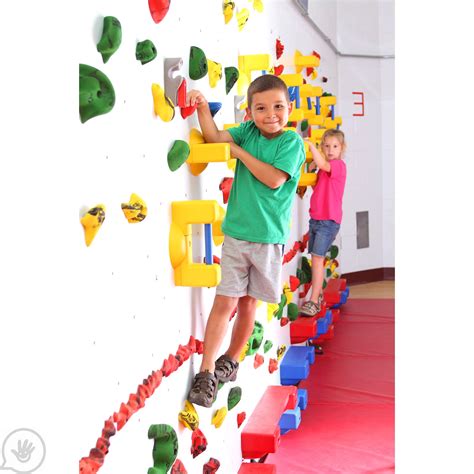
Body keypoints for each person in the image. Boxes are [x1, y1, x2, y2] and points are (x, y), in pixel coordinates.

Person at [185, 75, 305, 407]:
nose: (271, 115)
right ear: (249, 112)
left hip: (268, 240)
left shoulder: (291, 143)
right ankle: (206, 372)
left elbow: (272, 179)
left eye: (278, 107)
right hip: (238, 234)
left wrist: (236, 151)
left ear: (289, 108)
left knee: (250, 303)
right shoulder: (247, 131)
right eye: (261, 108)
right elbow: (213, 136)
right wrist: (201, 108)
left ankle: (232, 359)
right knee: (226, 302)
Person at [299, 129, 347, 317]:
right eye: (326, 146)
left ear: (342, 149)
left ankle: (314, 300)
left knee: (317, 259)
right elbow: (317, 187)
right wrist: (310, 170)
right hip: (317, 219)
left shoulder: (339, 166)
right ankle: (316, 297)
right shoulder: (323, 169)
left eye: (334, 146)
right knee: (315, 259)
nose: (330, 150)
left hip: (329, 221)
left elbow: (322, 163)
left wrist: (310, 146)